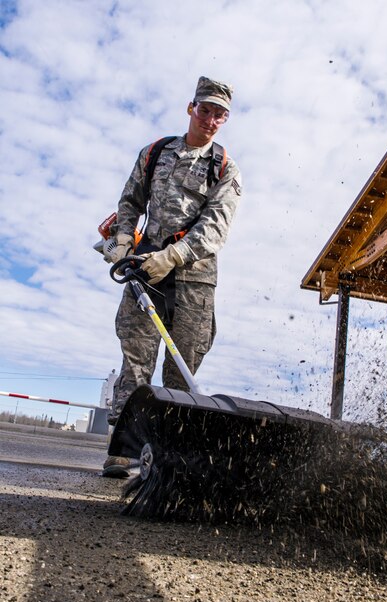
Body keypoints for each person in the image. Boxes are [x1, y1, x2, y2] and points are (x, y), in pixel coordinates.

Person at [103, 76, 241, 477]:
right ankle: (123, 449)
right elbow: (130, 201)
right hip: (144, 270)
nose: (211, 119)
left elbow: (216, 226)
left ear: (225, 119)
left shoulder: (226, 168)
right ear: (191, 108)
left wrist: (175, 255)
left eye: (220, 114)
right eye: (205, 110)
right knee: (135, 357)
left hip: (194, 279)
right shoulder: (155, 153)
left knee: (181, 368)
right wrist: (124, 238)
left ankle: (166, 454)